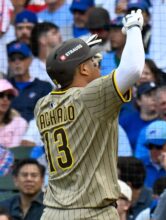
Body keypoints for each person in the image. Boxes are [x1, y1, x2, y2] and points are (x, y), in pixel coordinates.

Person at [34, 9, 144, 219]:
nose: (99, 62)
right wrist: (134, 27)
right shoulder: (90, 97)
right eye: (94, 60)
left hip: (52, 213)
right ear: (83, 70)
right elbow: (133, 69)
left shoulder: (42, 105)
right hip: (92, 214)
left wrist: (82, 50)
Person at [7, 42, 53, 122]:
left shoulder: (44, 87)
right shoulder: (4, 87)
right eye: (13, 59)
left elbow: (49, 116)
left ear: (30, 60)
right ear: (9, 62)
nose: (17, 62)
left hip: (35, 132)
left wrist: (20, 118)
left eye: (21, 58)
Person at [119, 82, 158, 150]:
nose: (154, 99)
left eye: (156, 95)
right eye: (148, 95)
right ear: (139, 101)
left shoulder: (165, 120)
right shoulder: (125, 121)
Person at [29, 21, 62, 86]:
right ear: (42, 39)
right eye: (54, 33)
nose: (60, 36)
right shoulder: (31, 68)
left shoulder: (66, 60)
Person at [0, 79, 28, 148]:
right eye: (1, 95)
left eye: (9, 96)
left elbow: (13, 152)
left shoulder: (19, 123)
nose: (5, 99)